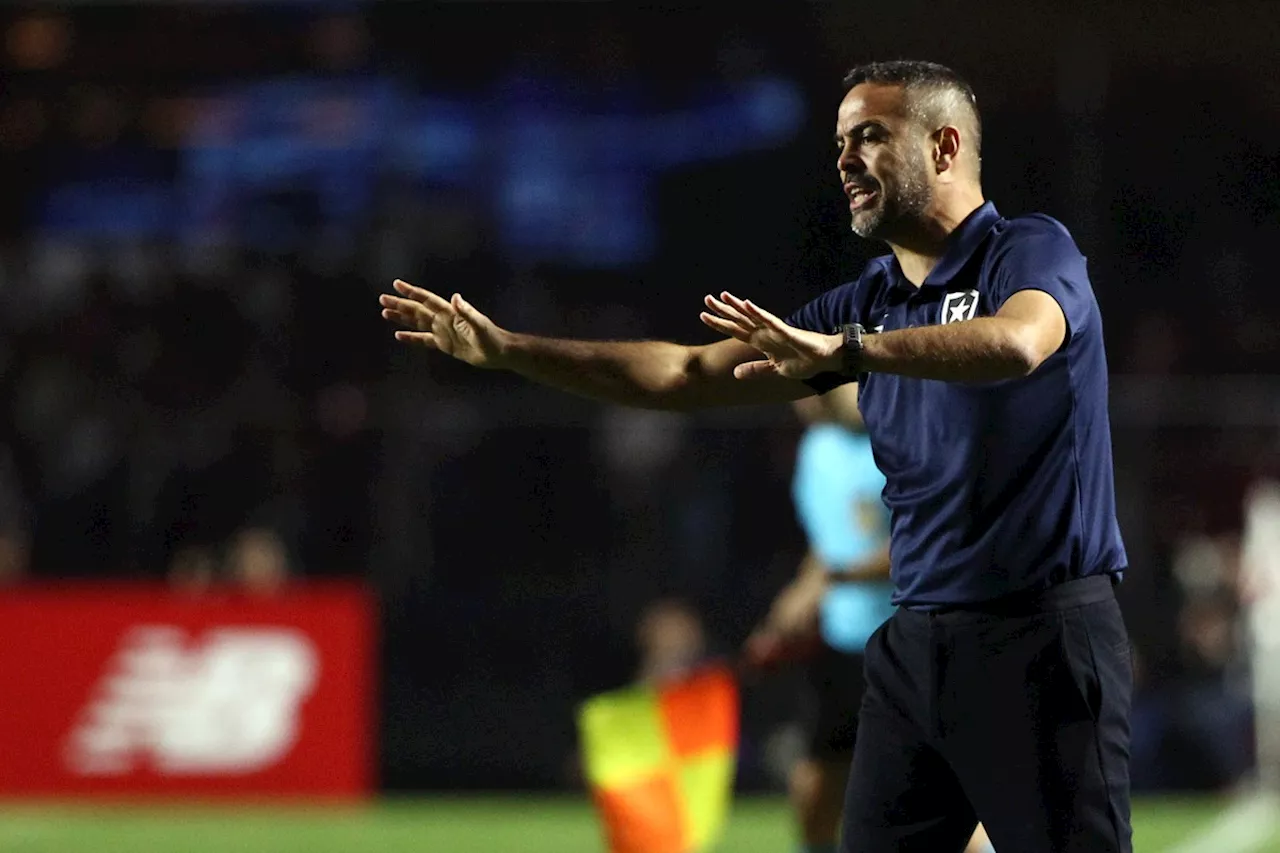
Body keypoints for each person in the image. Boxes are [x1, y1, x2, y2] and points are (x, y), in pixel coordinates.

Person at [379, 59, 1131, 852]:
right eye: (840, 140)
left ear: (944, 146)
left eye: (870, 136)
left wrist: (847, 352)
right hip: (916, 647)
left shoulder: (1028, 251)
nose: (844, 159)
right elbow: (683, 371)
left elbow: (1018, 342)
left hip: (1040, 636)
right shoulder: (865, 299)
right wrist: (514, 350)